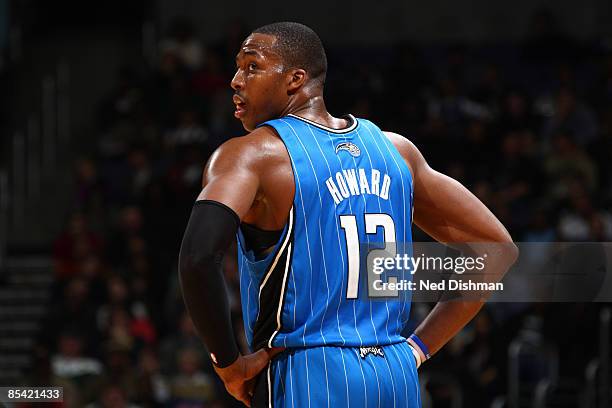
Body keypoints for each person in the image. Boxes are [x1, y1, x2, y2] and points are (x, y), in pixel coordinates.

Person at [178, 22, 518, 407]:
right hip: (395, 376)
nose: (236, 80)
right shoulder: (397, 152)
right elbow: (497, 248)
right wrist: (418, 349)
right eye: (237, 67)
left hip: (307, 373)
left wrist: (229, 364)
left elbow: (197, 257)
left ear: (295, 79)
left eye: (252, 66)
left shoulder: (252, 155)